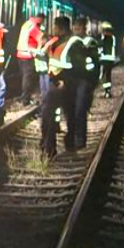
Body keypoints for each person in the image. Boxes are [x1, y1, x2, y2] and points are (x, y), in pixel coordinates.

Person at [40, 16, 90, 154]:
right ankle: (49, 146)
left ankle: (69, 143)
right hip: (55, 84)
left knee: (70, 116)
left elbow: (80, 68)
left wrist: (66, 81)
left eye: (55, 27)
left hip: (69, 86)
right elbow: (47, 58)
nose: (53, 29)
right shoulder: (54, 42)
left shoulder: (75, 43)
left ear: (61, 28)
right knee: (48, 114)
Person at [69, 17, 97, 149]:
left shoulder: (90, 43)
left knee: (80, 110)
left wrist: (92, 83)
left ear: (85, 29)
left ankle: (80, 139)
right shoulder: (71, 42)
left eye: (79, 28)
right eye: (75, 27)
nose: (76, 30)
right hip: (71, 80)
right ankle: (73, 137)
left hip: (84, 81)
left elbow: (95, 66)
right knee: (71, 110)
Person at [14, 12, 45, 106]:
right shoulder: (34, 27)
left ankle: (24, 96)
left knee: (24, 77)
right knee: (28, 78)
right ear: (39, 19)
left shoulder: (26, 24)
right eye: (42, 20)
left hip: (20, 54)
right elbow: (42, 38)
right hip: (28, 55)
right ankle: (25, 99)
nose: (43, 22)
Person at [97, 22, 118, 98]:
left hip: (105, 59)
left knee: (105, 75)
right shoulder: (113, 38)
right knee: (107, 75)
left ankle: (107, 92)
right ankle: (107, 91)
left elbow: (100, 46)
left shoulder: (105, 38)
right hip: (110, 59)